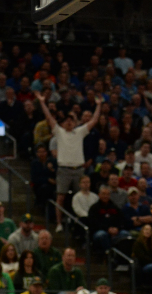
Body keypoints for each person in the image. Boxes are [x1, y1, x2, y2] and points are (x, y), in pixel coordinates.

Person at [34, 91, 101, 232]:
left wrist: (99, 105)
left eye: (72, 120)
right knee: (60, 197)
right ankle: (59, 224)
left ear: (75, 122)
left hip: (79, 170)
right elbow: (48, 117)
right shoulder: (59, 132)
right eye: (67, 120)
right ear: (63, 123)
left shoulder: (80, 131)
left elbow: (94, 121)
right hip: (64, 169)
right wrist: (41, 101)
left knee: (80, 197)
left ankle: (77, 224)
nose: (69, 122)